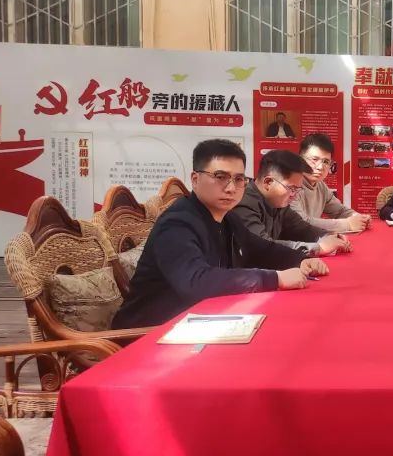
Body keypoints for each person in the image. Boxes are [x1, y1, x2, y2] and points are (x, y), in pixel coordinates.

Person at [112, 139, 328, 329]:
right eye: (220, 176)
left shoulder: (228, 218)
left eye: (239, 179)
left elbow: (261, 249)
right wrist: (275, 278)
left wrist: (300, 260)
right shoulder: (177, 223)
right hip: (150, 333)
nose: (231, 188)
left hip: (200, 320)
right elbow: (196, 281)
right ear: (195, 179)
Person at [229, 150, 352, 255]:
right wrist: (319, 248)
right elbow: (261, 246)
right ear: (268, 182)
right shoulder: (243, 203)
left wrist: (327, 236)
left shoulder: (278, 203)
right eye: (291, 188)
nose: (294, 195)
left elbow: (301, 228)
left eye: (297, 189)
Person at [292, 133, 371, 234]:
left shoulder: (321, 186)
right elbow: (300, 223)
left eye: (326, 161)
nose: (320, 167)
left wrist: (359, 218)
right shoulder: (291, 186)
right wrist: (347, 224)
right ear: (300, 159)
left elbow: (339, 211)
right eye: (314, 159)